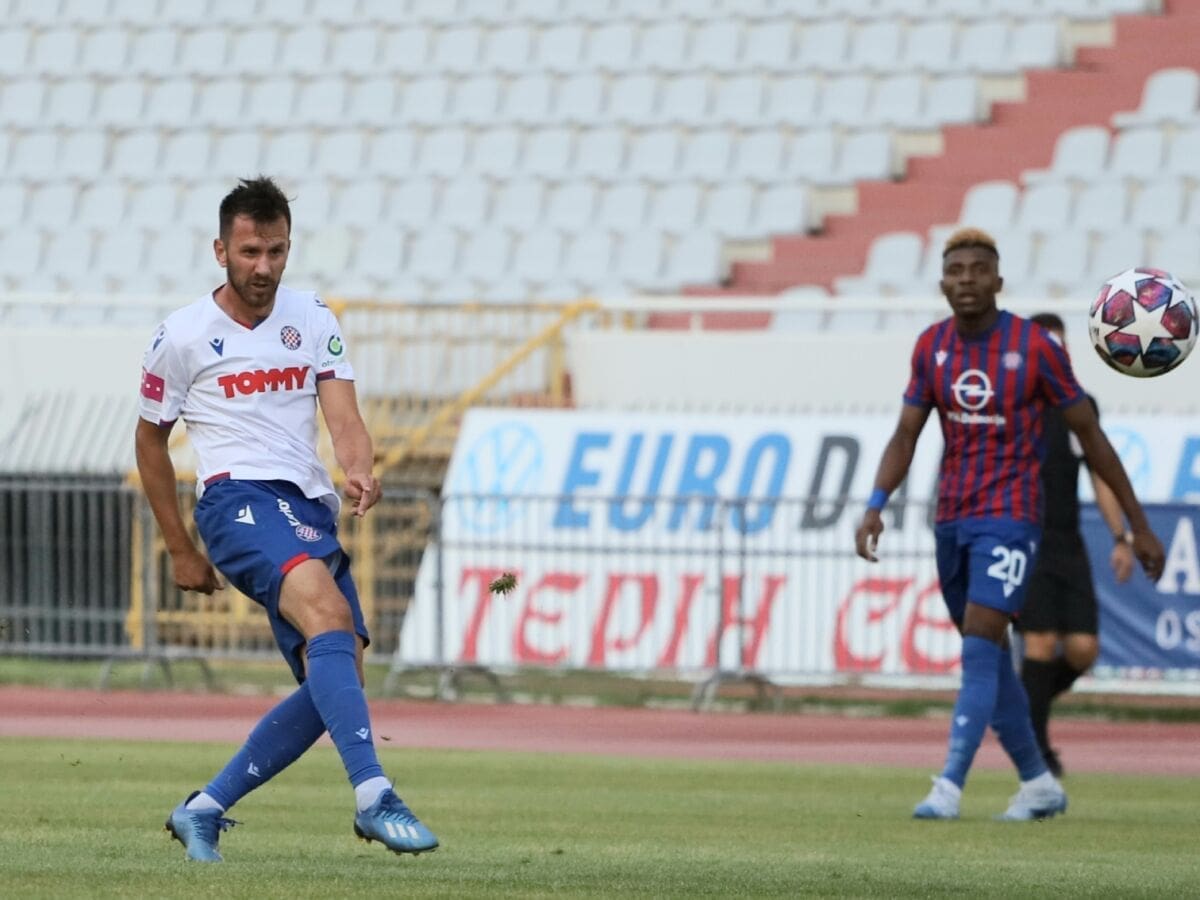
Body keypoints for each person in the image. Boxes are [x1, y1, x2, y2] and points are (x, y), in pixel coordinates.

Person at [136, 176, 438, 862]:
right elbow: (148, 442)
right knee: (331, 622)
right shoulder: (180, 337)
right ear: (220, 250)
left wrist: (359, 465)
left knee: (338, 680)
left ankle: (203, 808)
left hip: (304, 509)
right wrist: (180, 548)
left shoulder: (314, 318)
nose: (264, 266)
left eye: (276, 251)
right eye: (250, 251)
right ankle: (373, 797)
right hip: (235, 501)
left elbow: (345, 419)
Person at [853, 227, 1164, 821]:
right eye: (955, 270)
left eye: (977, 269)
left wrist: (1138, 524)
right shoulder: (931, 348)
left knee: (978, 648)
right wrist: (875, 502)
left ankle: (949, 783)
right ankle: (1039, 784)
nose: (966, 279)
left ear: (998, 279)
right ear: (942, 281)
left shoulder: (1036, 348)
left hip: (1013, 517)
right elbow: (906, 434)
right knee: (990, 659)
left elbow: (1092, 439)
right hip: (953, 520)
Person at [1016, 312, 1135, 778]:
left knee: (1084, 648)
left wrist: (1121, 536)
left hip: (1067, 539)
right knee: (1041, 644)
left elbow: (1100, 475)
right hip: (1024, 536)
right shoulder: (1013, 405)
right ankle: (1038, 753)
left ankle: (1024, 707)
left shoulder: (1080, 405)